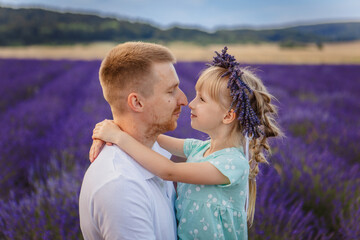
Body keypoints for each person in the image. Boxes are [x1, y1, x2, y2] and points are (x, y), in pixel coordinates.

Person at [91, 47, 283, 239]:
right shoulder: (200, 149)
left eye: (201, 99)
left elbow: (169, 171)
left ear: (227, 115)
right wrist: (115, 125)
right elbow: (148, 133)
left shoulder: (232, 164)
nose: (190, 103)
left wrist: (118, 137)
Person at [79, 41, 188, 240]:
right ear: (136, 102)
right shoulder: (121, 187)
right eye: (171, 91)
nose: (184, 100)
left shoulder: (152, 152)